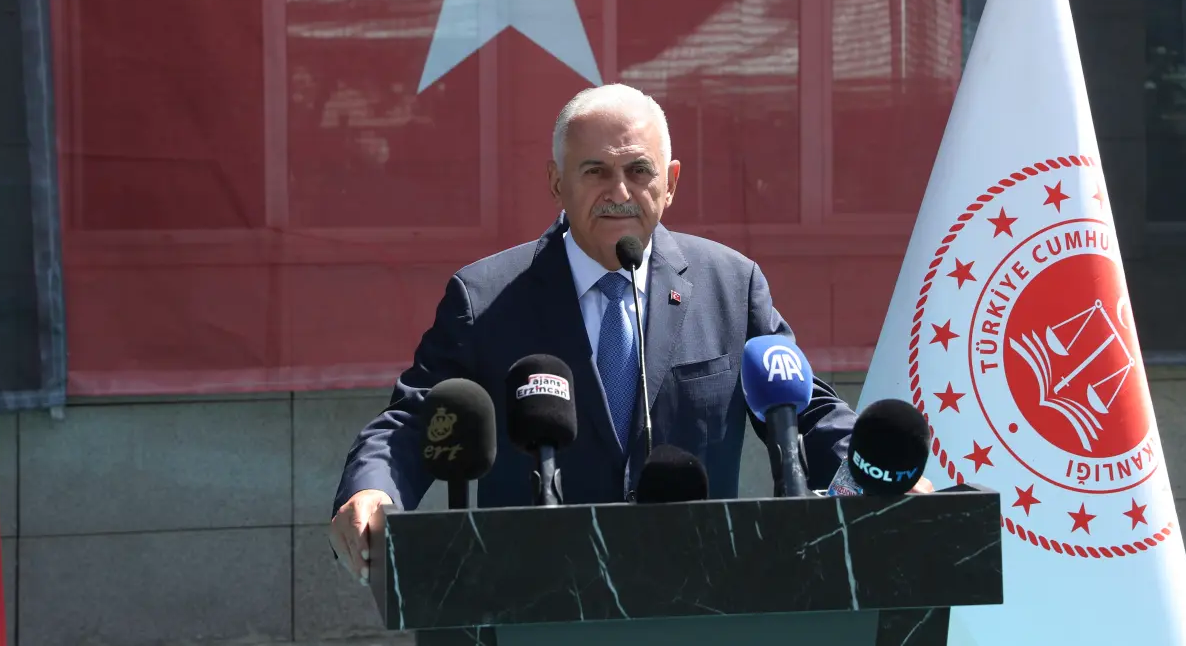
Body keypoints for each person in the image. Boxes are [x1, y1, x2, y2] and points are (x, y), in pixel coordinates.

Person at [328, 84, 930, 584]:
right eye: (595, 171)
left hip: (702, 595)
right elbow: (415, 419)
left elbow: (800, 409)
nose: (619, 192)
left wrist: (877, 477)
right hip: (534, 597)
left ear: (671, 181)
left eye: (639, 170)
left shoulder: (731, 284)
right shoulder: (485, 297)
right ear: (556, 182)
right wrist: (372, 491)